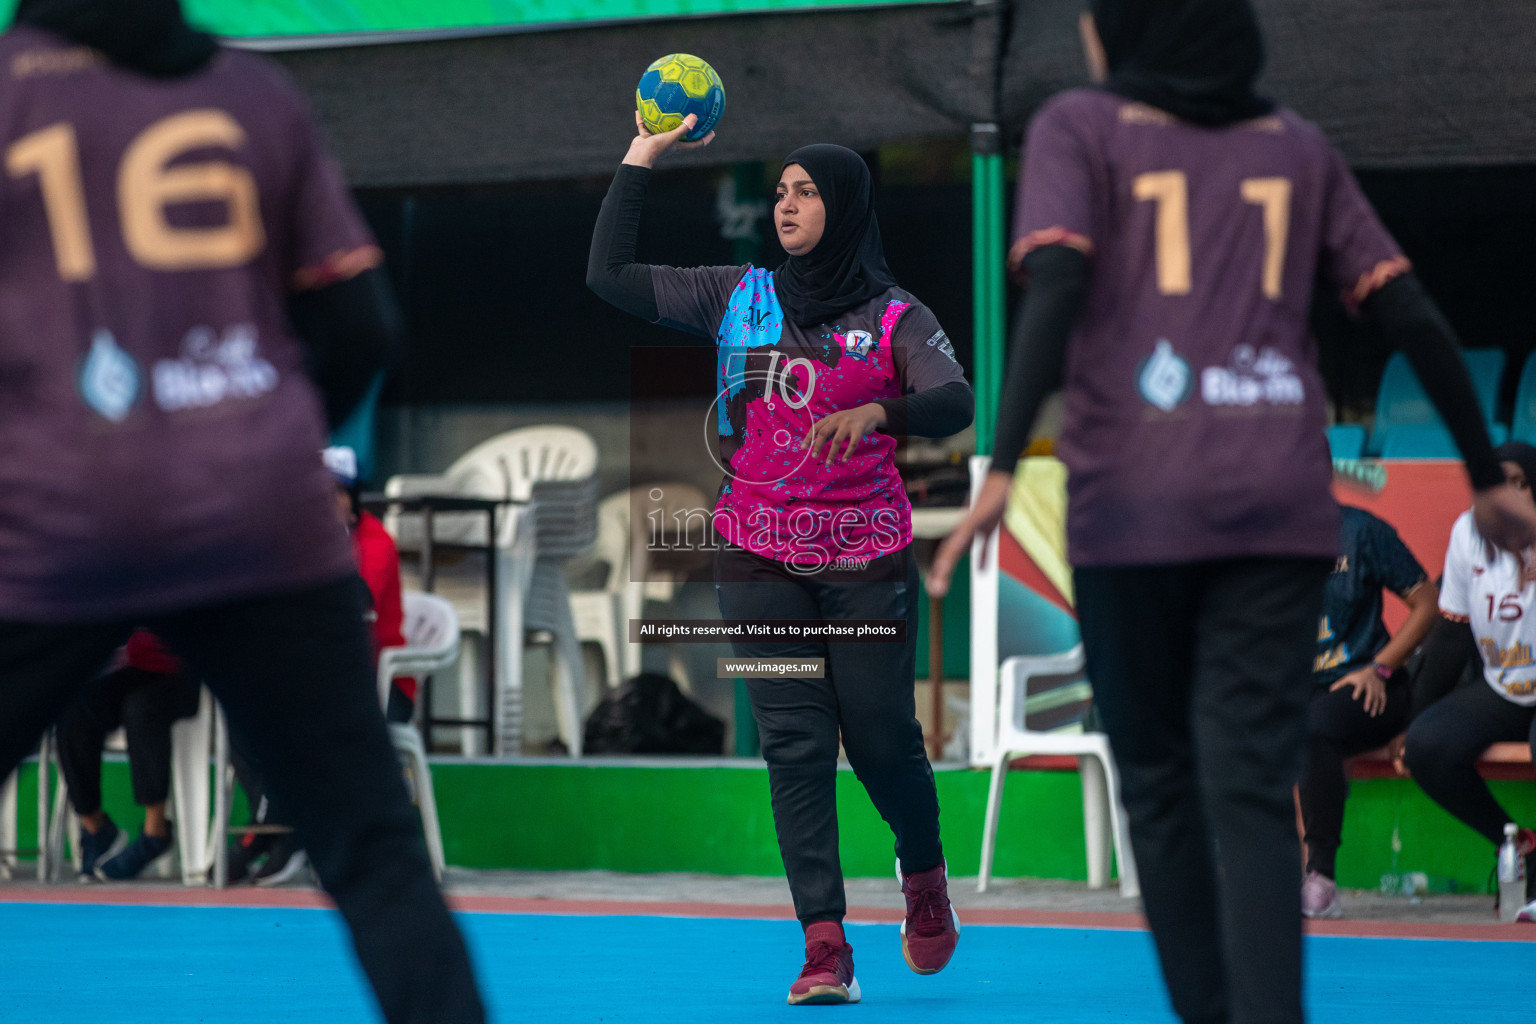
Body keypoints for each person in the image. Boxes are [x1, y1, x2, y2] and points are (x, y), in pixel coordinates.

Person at [929, 2, 1536, 1022]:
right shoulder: (1294, 145)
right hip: (1275, 503)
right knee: (1253, 791)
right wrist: (1482, 470)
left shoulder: (1079, 126)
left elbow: (1060, 288)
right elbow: (1407, 310)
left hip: (1136, 505)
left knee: (1162, 789)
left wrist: (998, 465)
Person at [0, 4, 482, 1023]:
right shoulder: (252, 94)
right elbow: (361, 327)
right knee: (374, 851)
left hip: (62, 516)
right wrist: (243, 413)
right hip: (257, 509)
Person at [588, 114, 973, 1004]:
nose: (788, 204)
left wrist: (883, 413)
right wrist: (643, 155)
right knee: (795, 746)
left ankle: (923, 875)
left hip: (866, 558)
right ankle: (824, 943)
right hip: (756, 553)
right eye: (781, 192)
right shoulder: (740, 295)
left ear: (843, 206)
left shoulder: (894, 316)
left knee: (880, 742)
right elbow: (606, 275)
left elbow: (953, 399)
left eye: (806, 192)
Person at [230, 445, 415, 885]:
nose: (325, 503)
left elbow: (355, 608)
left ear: (354, 498)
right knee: (242, 715)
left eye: (336, 493)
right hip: (320, 677)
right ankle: (276, 831)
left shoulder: (375, 542)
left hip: (383, 683)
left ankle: (278, 836)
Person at [1403, 441, 1536, 920]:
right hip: (1503, 687)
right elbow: (1451, 635)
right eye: (1499, 484)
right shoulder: (1468, 533)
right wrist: (1412, 720)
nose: (1510, 495)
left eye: (1521, 483)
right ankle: (1520, 846)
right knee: (1426, 746)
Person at [1299, 505, 1436, 918]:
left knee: (1313, 728)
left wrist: (1380, 666)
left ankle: (1320, 879)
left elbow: (1427, 603)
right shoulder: (1262, 538)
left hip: (1370, 687)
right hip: (1299, 689)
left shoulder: (1361, 531)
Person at [56, 630, 201, 880]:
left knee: (142, 709)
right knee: (74, 711)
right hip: (132, 665)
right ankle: (94, 825)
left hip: (184, 670)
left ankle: (155, 831)